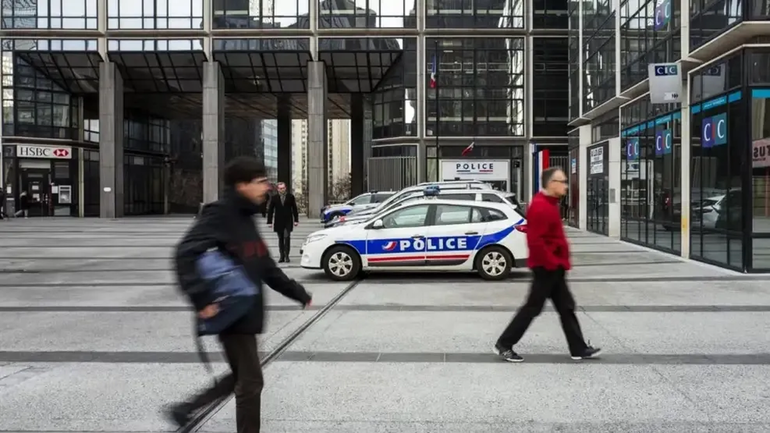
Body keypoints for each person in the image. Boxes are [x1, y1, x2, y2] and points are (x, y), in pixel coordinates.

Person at [169, 156, 312, 432]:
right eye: (260, 182)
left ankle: (185, 408)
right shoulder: (220, 213)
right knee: (251, 382)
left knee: (242, 376)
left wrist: (297, 293)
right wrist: (202, 299)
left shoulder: (246, 216)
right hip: (232, 310)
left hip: (246, 309)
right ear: (241, 185)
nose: (267, 187)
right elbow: (185, 253)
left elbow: (264, 265)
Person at [494, 167, 600, 362]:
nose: (565, 185)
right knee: (532, 308)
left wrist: (561, 261)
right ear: (551, 184)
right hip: (546, 268)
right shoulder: (541, 206)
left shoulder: (550, 204)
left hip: (554, 267)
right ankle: (504, 344)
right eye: (562, 181)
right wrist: (552, 263)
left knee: (566, 307)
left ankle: (578, 348)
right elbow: (535, 241)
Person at [266, 182, 299, 263]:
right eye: (280, 188)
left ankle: (287, 255)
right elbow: (270, 210)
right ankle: (282, 256)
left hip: (288, 220)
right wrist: (269, 221)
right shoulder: (274, 198)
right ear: (277, 189)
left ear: (285, 188)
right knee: (280, 238)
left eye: (283, 188)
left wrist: (296, 220)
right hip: (278, 221)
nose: (282, 190)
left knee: (287, 237)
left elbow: (294, 208)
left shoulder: (290, 197)